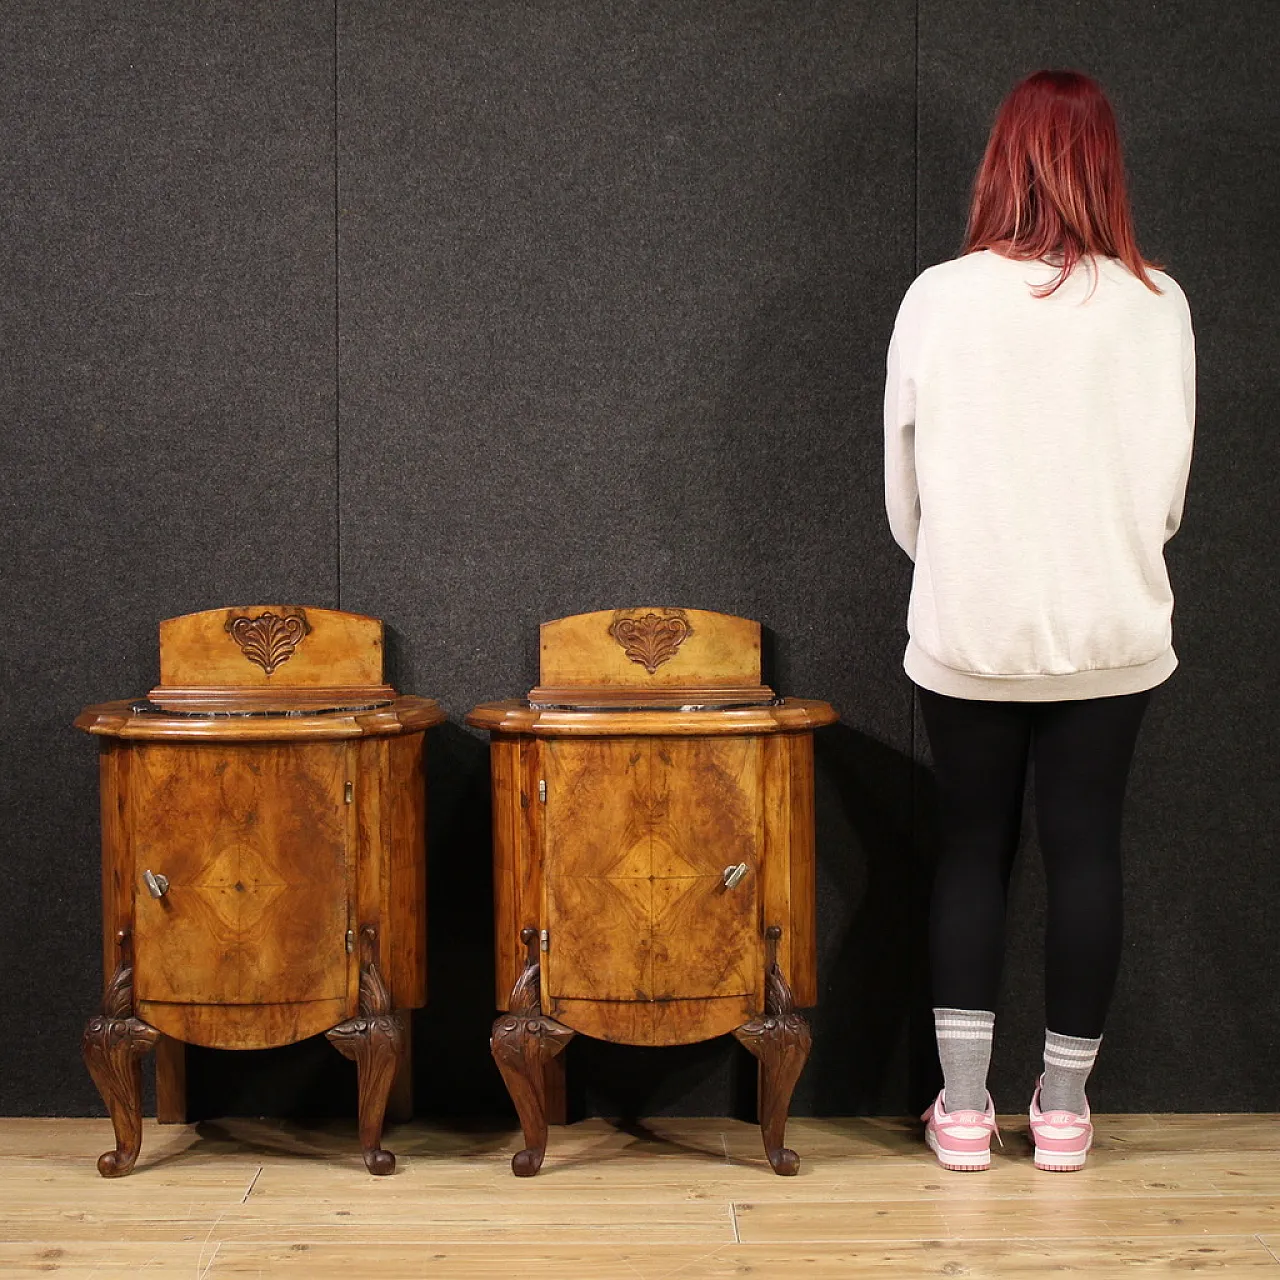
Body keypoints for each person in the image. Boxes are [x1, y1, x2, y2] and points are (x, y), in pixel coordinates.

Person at [883, 69, 1195, 1173]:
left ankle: (960, 1112)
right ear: (1105, 164)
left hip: (969, 624)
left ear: (998, 160)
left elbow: (903, 494)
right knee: (1086, 851)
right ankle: (1059, 1112)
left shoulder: (935, 296)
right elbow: (1165, 494)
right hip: (1109, 624)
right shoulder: (1158, 305)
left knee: (969, 850)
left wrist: (971, 566)